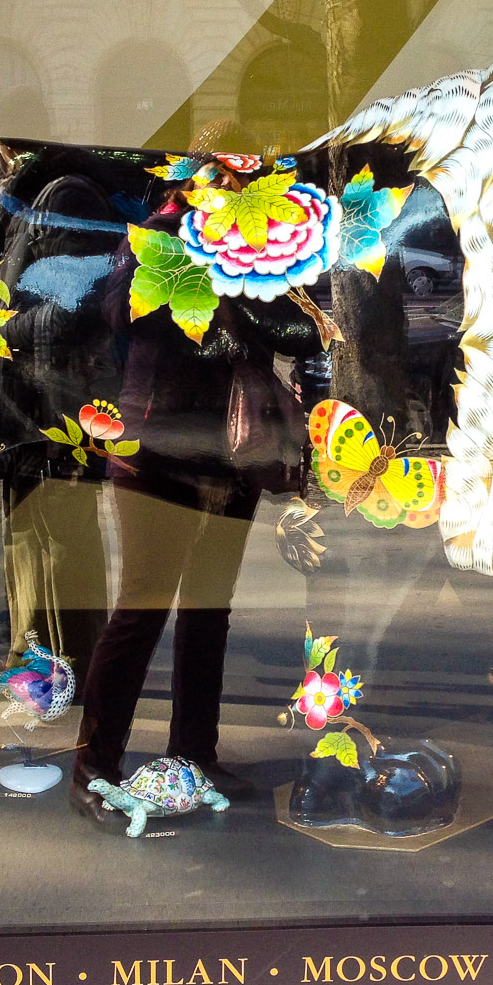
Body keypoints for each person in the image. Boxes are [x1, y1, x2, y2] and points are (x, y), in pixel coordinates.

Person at [68, 206, 320, 826]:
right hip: (156, 447)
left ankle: (194, 753)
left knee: (208, 609)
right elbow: (122, 314)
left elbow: (299, 327)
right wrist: (216, 301)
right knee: (142, 608)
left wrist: (262, 289)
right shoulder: (156, 236)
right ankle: (93, 769)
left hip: (232, 449)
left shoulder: (269, 241)